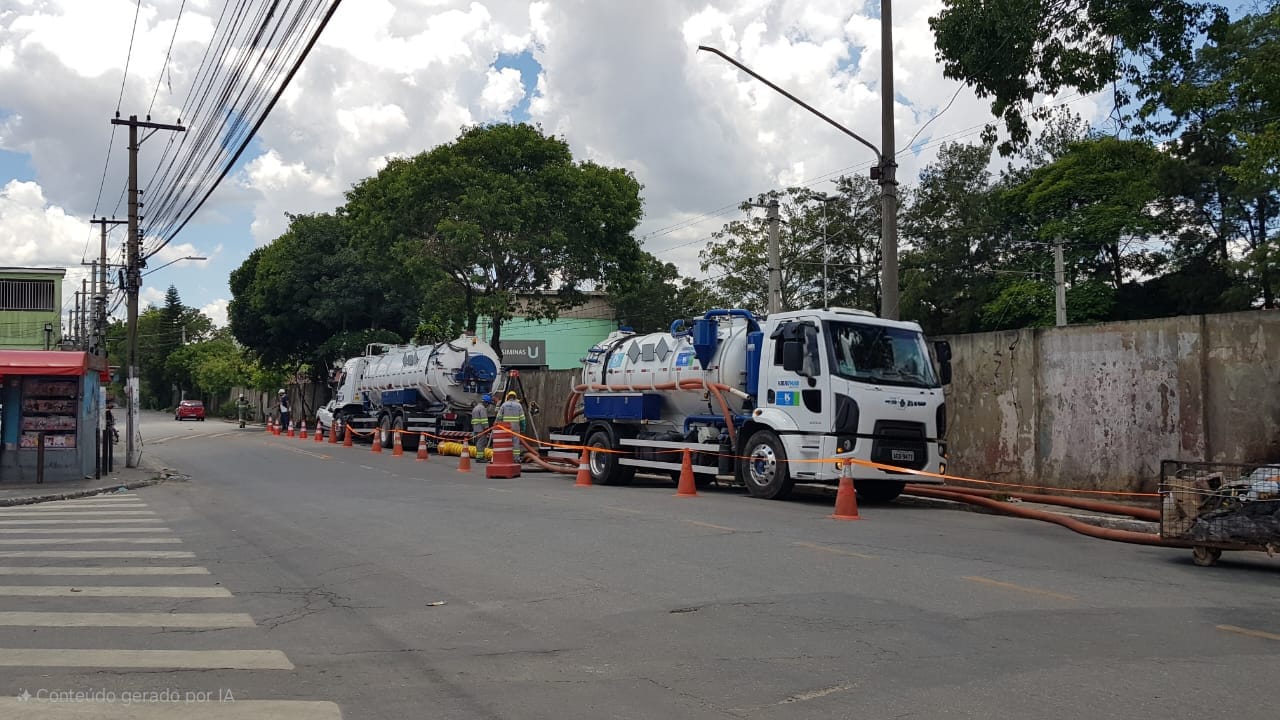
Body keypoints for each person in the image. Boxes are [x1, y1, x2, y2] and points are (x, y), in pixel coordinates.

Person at [498, 390, 526, 457]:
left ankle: (506, 457)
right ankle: (516, 458)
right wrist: (523, 428)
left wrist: (498, 425)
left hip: (506, 427)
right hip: (516, 427)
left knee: (506, 442)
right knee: (516, 442)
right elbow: (522, 418)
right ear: (515, 397)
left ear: (508, 397)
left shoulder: (504, 405)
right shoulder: (518, 405)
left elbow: (499, 417)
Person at [472, 394, 493, 463]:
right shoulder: (482, 408)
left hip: (476, 428)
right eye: (488, 404)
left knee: (478, 443)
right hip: (481, 429)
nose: (488, 406)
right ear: (486, 402)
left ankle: (479, 456)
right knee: (481, 443)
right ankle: (480, 457)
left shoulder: (476, 408)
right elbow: (484, 420)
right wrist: (487, 428)